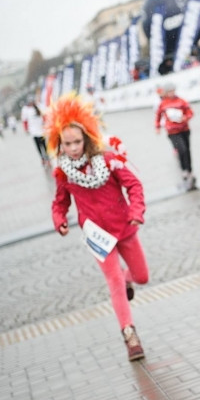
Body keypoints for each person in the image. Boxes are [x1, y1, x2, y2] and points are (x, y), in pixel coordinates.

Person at [47, 94, 150, 361]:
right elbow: (60, 202)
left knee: (141, 277)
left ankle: (128, 279)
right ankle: (129, 335)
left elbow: (134, 185)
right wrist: (59, 219)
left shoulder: (108, 160)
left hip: (125, 227)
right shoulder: (63, 173)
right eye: (67, 143)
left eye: (77, 142)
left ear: (87, 138)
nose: (73, 148)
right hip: (96, 235)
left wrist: (136, 211)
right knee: (113, 281)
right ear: (59, 143)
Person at [154, 83, 196, 191]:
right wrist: (157, 127)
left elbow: (190, 112)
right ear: (166, 93)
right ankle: (184, 169)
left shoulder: (181, 101)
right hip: (172, 132)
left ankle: (189, 170)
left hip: (184, 130)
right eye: (169, 91)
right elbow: (158, 115)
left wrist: (185, 117)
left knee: (187, 150)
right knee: (182, 149)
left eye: (173, 91)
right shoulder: (163, 104)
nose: (171, 93)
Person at [21, 98, 48, 166]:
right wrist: (26, 129)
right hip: (33, 132)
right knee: (38, 146)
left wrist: (45, 125)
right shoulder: (25, 110)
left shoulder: (39, 106)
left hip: (41, 130)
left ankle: (47, 158)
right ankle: (42, 158)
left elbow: (44, 116)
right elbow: (24, 120)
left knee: (44, 145)